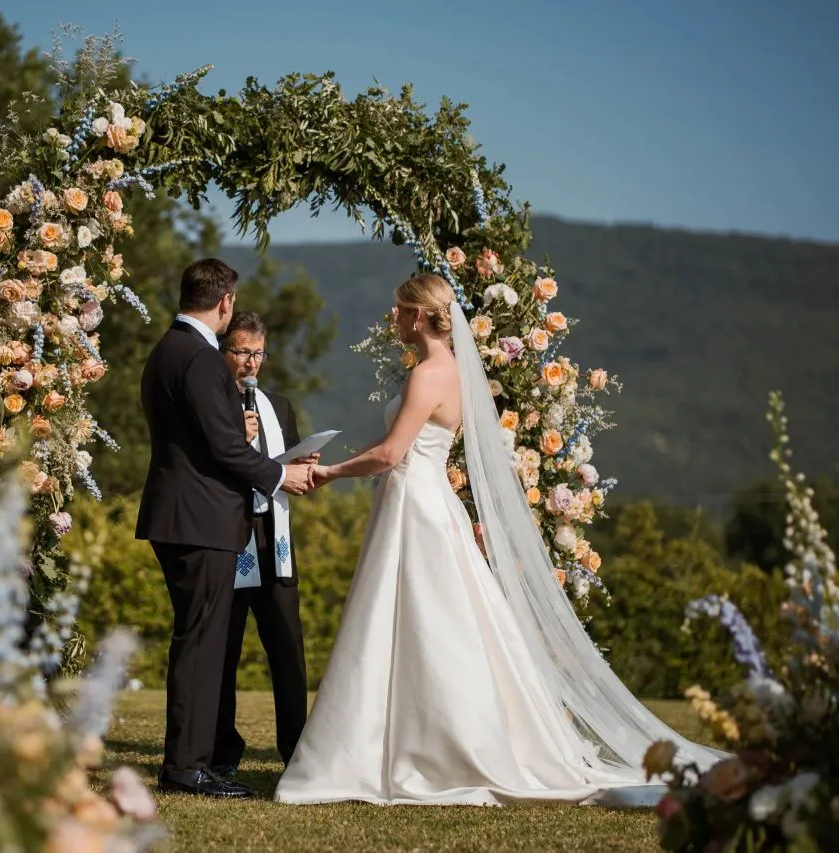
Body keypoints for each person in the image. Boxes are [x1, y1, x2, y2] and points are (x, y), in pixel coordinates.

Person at [275, 272, 723, 806]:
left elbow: (392, 454)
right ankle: (403, 742)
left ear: (418, 316)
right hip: (422, 500)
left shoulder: (426, 376)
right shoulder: (457, 372)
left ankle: (422, 745)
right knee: (433, 619)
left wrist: (329, 473)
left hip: (416, 504)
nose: (392, 319)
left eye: (398, 310)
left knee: (424, 619)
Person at [136, 259, 313, 799]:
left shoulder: (167, 350)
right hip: (201, 519)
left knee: (200, 640)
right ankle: (185, 766)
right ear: (225, 302)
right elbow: (227, 445)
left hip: (180, 515)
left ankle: (192, 760)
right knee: (201, 644)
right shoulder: (202, 359)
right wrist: (282, 472)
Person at [212, 312, 310, 780]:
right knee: (225, 648)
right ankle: (222, 751)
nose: (251, 363)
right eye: (241, 352)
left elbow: (285, 469)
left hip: (275, 538)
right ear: (223, 352)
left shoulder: (281, 406)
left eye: (258, 353)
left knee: (288, 647)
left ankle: (297, 750)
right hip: (230, 537)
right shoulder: (211, 402)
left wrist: (306, 465)